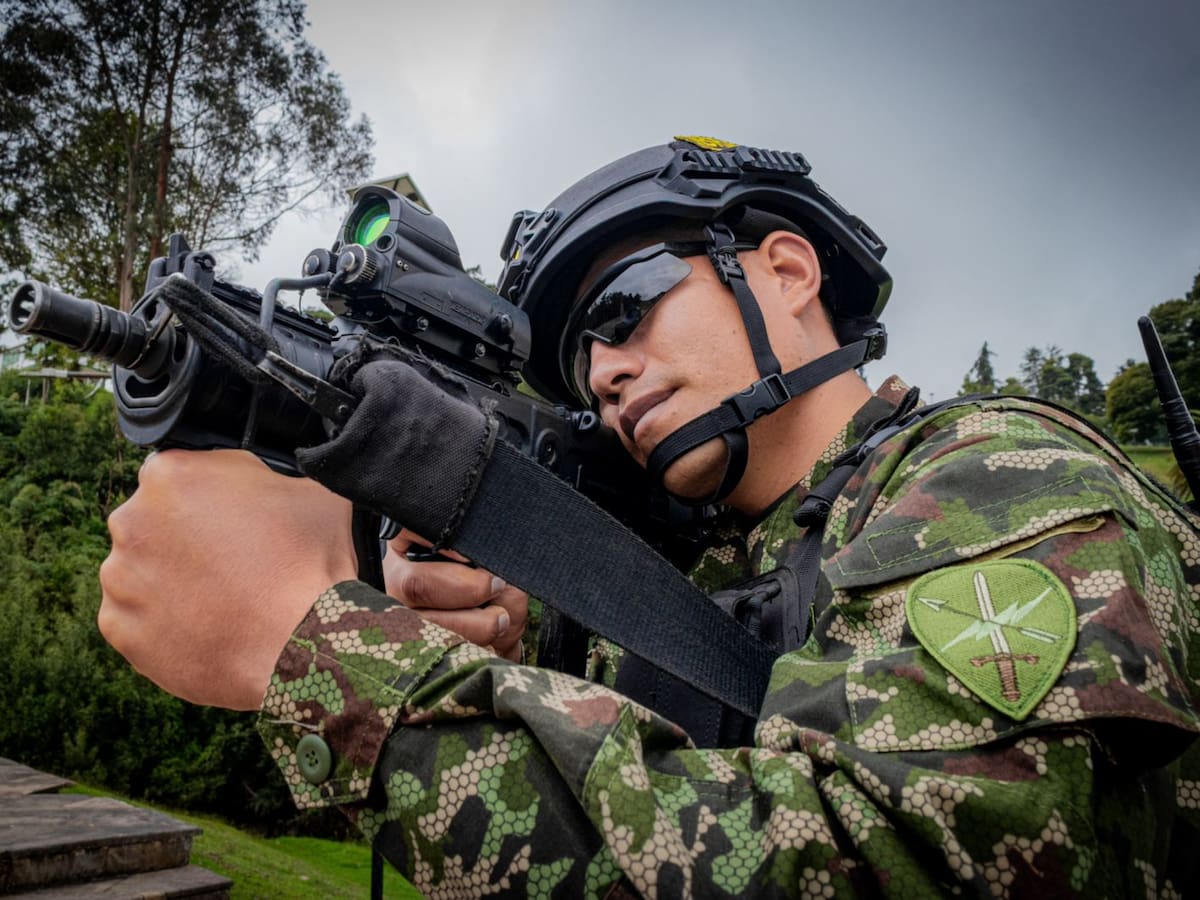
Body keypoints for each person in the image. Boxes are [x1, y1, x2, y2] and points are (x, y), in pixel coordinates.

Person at [98, 137, 1200, 897]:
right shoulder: (727, 565)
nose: (607, 372)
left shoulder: (1003, 481)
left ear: (786, 269)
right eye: (580, 362)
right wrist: (497, 646)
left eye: (622, 308)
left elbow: (907, 863)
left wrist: (319, 653)